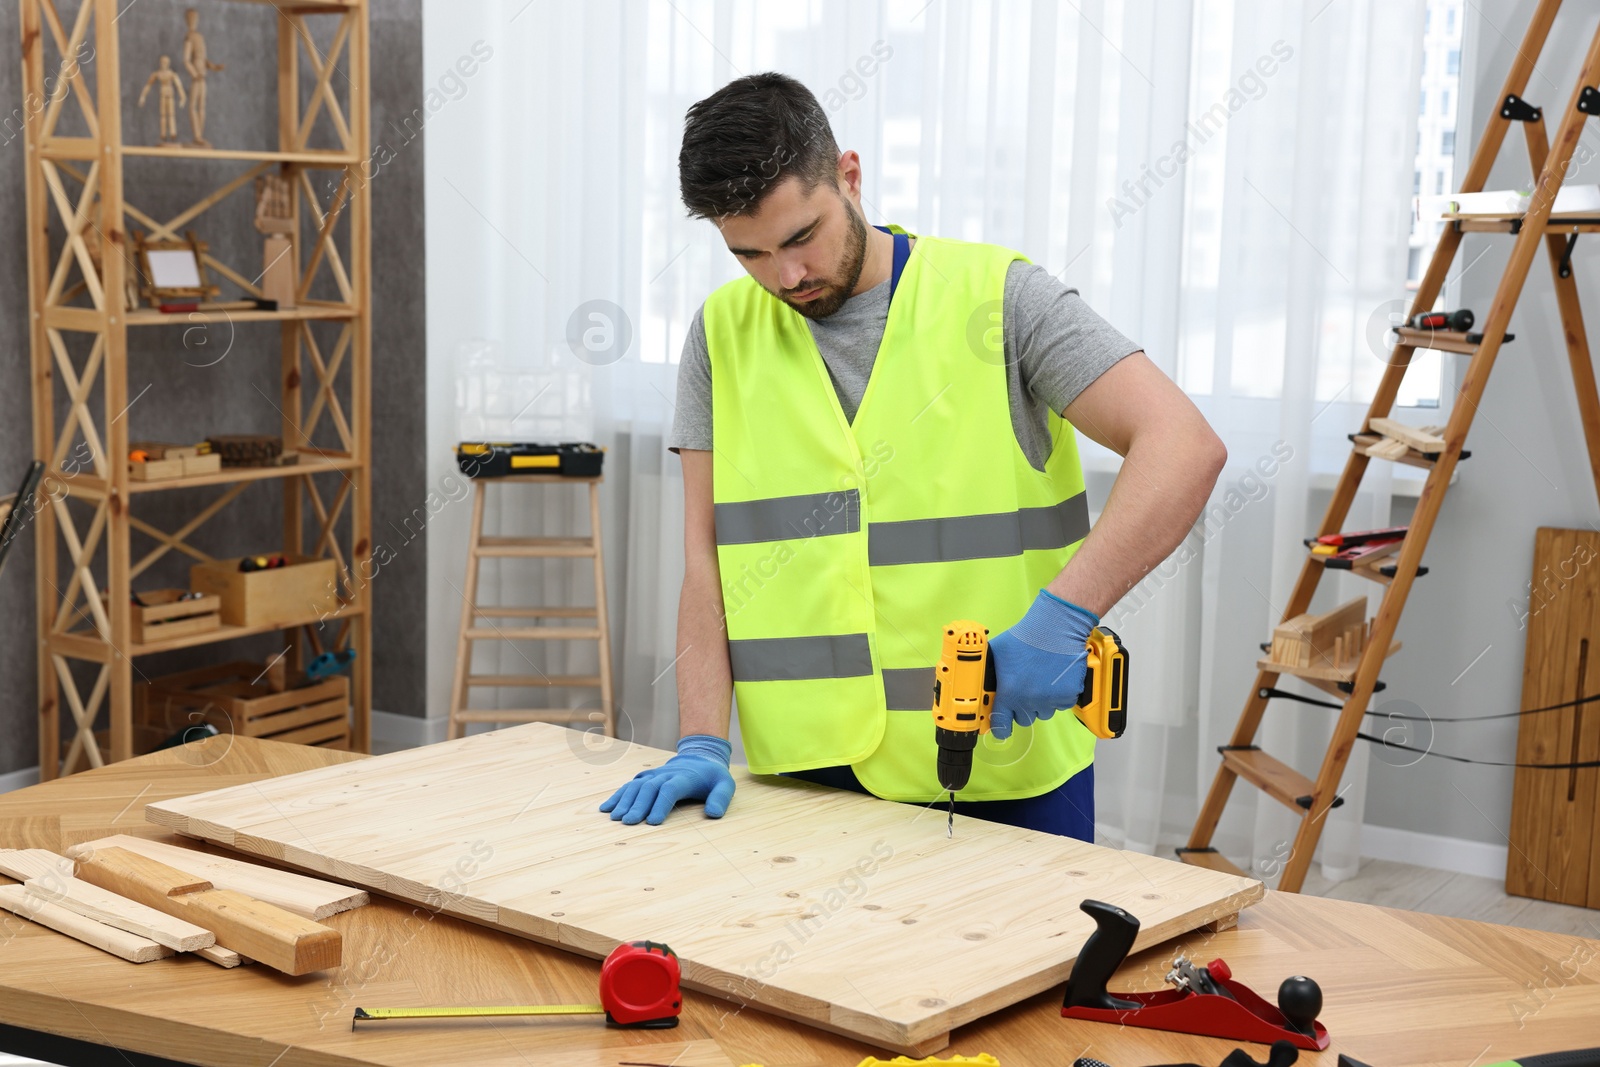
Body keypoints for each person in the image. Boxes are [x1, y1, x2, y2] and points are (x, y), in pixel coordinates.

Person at [600, 73, 1225, 839]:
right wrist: (702, 735)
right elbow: (707, 555)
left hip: (1002, 759)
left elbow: (1182, 445)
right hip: (802, 770)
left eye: (801, 236)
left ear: (850, 176)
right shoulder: (722, 332)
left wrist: (1065, 616)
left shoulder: (1000, 300)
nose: (786, 276)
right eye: (750, 253)